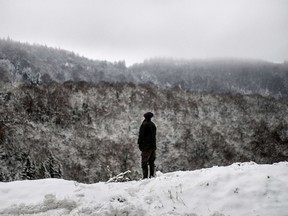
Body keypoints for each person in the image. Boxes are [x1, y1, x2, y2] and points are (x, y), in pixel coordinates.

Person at [137, 112, 157, 179]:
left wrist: (140, 144)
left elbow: (141, 136)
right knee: (151, 162)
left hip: (146, 147)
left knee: (144, 162)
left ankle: (145, 177)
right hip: (153, 146)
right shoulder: (153, 125)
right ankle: (152, 176)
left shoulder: (144, 125)